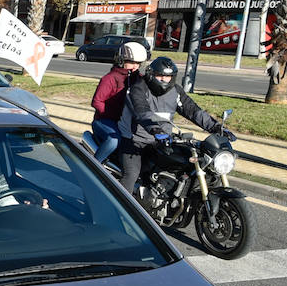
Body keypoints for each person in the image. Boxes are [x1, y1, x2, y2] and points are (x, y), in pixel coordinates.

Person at [117, 56, 233, 193]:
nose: (164, 80)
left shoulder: (175, 91)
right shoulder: (138, 88)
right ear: (151, 74)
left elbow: (193, 111)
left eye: (168, 77)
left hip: (163, 140)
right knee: (131, 175)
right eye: (160, 76)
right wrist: (155, 130)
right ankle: (121, 204)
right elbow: (142, 111)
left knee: (186, 165)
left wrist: (216, 127)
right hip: (135, 140)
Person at [90, 41, 148, 163]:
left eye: (138, 63)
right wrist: (115, 116)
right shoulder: (110, 78)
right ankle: (94, 165)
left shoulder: (139, 79)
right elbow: (97, 101)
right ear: (121, 60)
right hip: (104, 121)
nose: (135, 66)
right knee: (113, 140)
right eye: (131, 62)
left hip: (127, 122)